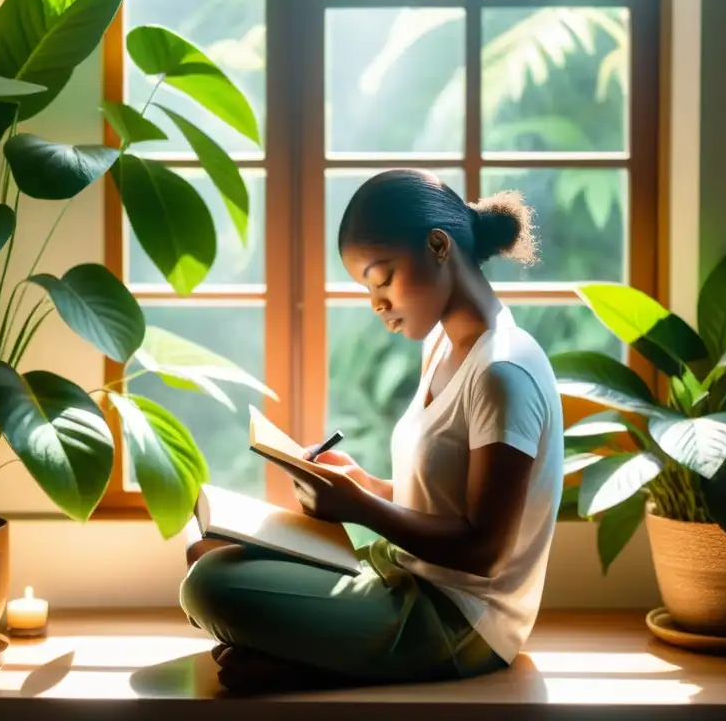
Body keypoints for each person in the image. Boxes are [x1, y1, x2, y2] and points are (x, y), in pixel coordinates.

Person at [180, 169, 565, 693]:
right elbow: (440, 504)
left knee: (210, 586)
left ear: (438, 246)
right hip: (402, 573)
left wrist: (358, 507)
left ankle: (311, 665)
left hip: (457, 620)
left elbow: (483, 550)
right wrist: (363, 485)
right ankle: (316, 656)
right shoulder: (446, 348)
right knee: (206, 554)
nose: (376, 302)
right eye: (366, 286)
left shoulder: (503, 372)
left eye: (382, 278)